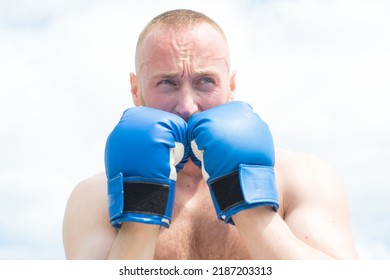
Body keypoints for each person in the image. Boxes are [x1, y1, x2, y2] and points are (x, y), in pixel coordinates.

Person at [62, 9, 359, 260]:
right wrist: (142, 204)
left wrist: (245, 198)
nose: (188, 106)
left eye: (205, 81)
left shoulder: (300, 178)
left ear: (231, 87)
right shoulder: (95, 197)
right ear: (136, 89)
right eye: (167, 82)